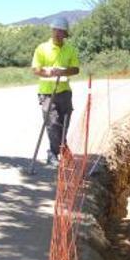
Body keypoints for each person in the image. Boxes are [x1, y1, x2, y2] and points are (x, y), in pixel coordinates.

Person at [31, 17, 80, 166]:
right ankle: (54, 153)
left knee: (64, 123)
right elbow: (36, 69)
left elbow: (76, 69)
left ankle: (58, 150)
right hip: (46, 92)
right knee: (52, 123)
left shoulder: (70, 49)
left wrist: (63, 72)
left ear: (65, 34)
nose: (58, 34)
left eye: (61, 31)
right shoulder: (42, 48)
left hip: (64, 91)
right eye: (55, 30)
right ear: (52, 31)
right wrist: (49, 73)